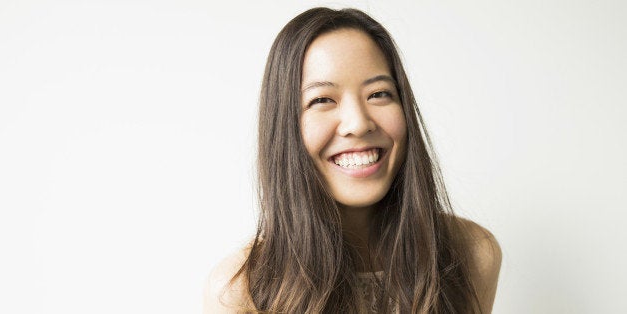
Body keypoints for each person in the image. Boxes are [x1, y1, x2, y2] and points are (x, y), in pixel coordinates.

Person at [205, 7, 501, 313]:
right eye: (322, 100)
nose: (358, 123)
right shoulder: (238, 291)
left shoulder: (473, 253)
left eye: (379, 94)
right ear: (285, 126)